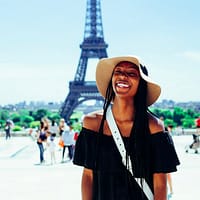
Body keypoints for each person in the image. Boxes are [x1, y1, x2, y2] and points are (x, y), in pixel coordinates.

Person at [73, 56, 180, 200]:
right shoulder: (92, 124)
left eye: (131, 73)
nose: (123, 76)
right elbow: (88, 175)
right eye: (118, 71)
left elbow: (160, 184)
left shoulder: (154, 127)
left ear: (141, 84)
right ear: (112, 79)